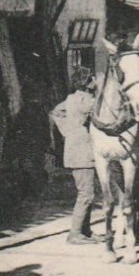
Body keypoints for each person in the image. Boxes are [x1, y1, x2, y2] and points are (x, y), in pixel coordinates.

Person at [49, 67, 101, 245]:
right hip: (83, 153)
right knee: (86, 194)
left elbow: (56, 112)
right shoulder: (86, 100)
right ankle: (75, 233)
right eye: (92, 78)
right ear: (87, 82)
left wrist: (67, 131)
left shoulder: (71, 99)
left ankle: (85, 231)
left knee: (87, 193)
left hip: (74, 151)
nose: (95, 81)